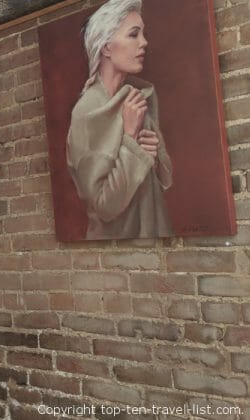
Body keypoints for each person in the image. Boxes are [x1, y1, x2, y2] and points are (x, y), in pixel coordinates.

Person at [66, 0, 173, 240]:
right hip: (114, 244)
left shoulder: (140, 95)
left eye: (142, 34)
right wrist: (130, 138)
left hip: (156, 236)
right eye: (134, 34)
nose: (144, 42)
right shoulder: (86, 112)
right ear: (106, 47)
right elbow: (104, 207)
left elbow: (163, 180)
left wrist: (153, 157)